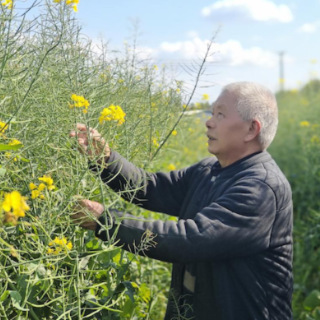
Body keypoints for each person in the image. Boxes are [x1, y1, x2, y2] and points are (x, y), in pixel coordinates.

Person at [70, 82, 293, 320]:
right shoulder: (209, 171)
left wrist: (106, 222)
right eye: (211, 113)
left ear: (251, 129)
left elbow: (191, 239)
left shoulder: (262, 188)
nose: (209, 121)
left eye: (220, 114)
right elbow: (151, 188)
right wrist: (105, 160)